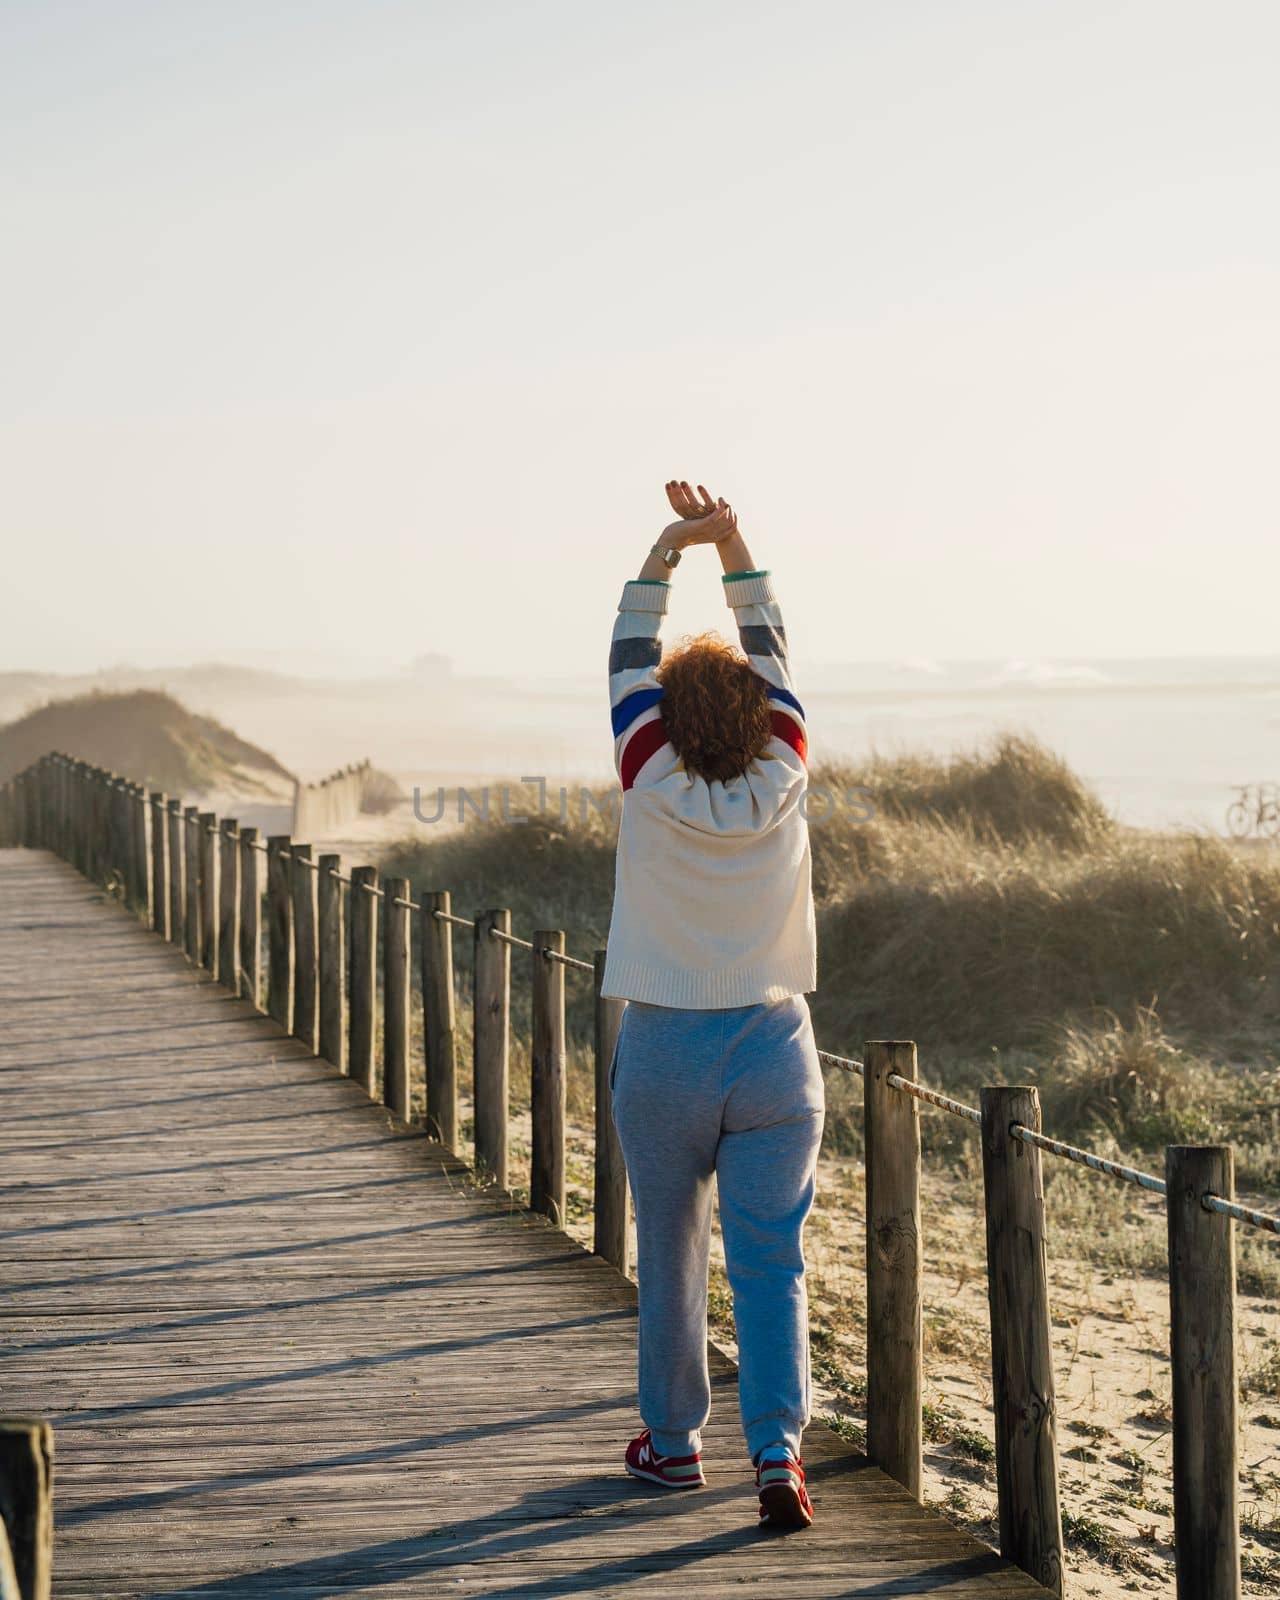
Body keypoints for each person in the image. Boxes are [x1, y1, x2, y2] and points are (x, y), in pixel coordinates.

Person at [602, 480, 824, 1532]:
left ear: (666, 719)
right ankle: (776, 1450)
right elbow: (771, 644)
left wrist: (664, 552)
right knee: (771, 1258)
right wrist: (733, 542)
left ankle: (675, 1445)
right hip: (776, 1043)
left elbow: (623, 657)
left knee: (671, 1248)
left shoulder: (646, 770)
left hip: (664, 1046)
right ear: (754, 714)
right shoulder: (784, 764)